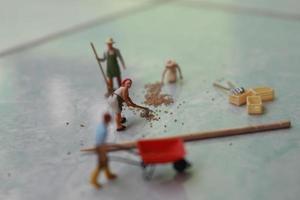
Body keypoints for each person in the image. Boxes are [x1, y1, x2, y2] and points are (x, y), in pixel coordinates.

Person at [90, 113, 117, 189]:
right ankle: (93, 180)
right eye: (109, 119)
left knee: (106, 162)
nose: (110, 120)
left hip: (101, 146)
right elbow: (100, 142)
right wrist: (102, 153)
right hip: (100, 148)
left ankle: (108, 175)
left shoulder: (101, 125)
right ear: (107, 119)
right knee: (100, 165)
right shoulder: (103, 130)